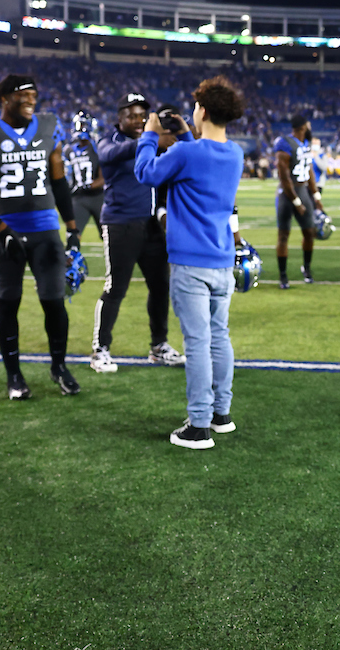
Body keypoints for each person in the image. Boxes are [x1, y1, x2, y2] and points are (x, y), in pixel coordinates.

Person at [133, 76, 245, 450]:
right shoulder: (236, 153)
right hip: (221, 261)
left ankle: (198, 425)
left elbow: (146, 173)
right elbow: (202, 160)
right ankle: (220, 414)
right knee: (219, 338)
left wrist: (150, 134)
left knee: (196, 343)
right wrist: (185, 136)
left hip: (190, 264)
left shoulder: (188, 152)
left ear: (202, 110)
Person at [0, 74, 81, 400]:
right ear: (4, 99)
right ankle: (13, 374)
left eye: (34, 94)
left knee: (54, 303)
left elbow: (59, 183)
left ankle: (59, 366)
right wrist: (3, 232)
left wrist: (72, 230)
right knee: (8, 304)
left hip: (45, 234)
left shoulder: (48, 126)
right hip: (7, 233)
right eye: (23, 94)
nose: (31, 100)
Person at [90, 92, 185, 373]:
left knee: (160, 286)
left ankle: (159, 346)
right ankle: (100, 350)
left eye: (142, 116)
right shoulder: (110, 140)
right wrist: (150, 139)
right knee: (116, 288)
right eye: (131, 115)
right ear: (119, 118)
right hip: (120, 223)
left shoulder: (150, 142)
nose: (138, 120)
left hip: (151, 225)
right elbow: (108, 154)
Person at [273, 115, 324, 288]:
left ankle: (307, 269)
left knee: (310, 233)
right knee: (283, 235)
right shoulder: (284, 143)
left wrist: (316, 196)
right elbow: (283, 175)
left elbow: (309, 171)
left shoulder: (305, 145)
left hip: (303, 191)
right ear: (303, 126)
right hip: (287, 193)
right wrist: (296, 200)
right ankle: (283, 276)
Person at [68, 111, 104, 239]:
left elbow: (103, 178)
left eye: (83, 125)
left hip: (98, 197)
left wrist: (87, 185)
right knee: (73, 235)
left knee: (108, 235)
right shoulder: (68, 150)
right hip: (78, 198)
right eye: (79, 125)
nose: (81, 128)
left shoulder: (97, 148)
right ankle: (72, 257)